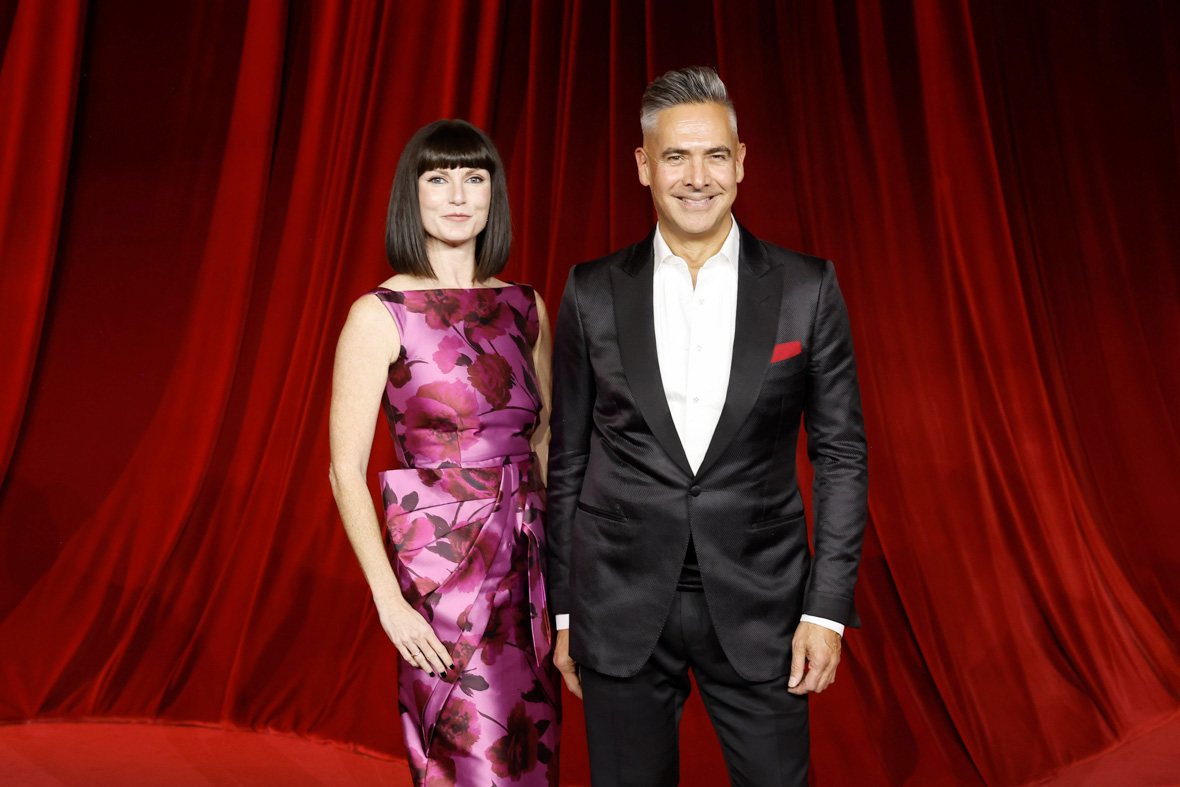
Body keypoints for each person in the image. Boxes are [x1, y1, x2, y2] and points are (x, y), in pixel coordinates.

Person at [546, 67, 868, 785]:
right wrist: (565, 610)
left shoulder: (807, 288)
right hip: (619, 602)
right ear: (643, 166)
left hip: (765, 607)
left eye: (715, 155)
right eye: (676, 156)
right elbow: (566, 457)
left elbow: (842, 454)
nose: (698, 176)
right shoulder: (591, 290)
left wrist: (828, 610)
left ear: (741, 161)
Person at [329, 119, 560, 787]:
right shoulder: (380, 313)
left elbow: (544, 434)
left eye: (474, 177)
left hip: (530, 578)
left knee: (532, 762)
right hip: (443, 586)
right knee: (468, 766)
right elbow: (344, 470)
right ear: (413, 194)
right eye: (438, 177)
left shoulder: (528, 307)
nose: (458, 194)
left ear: (494, 194)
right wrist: (388, 601)